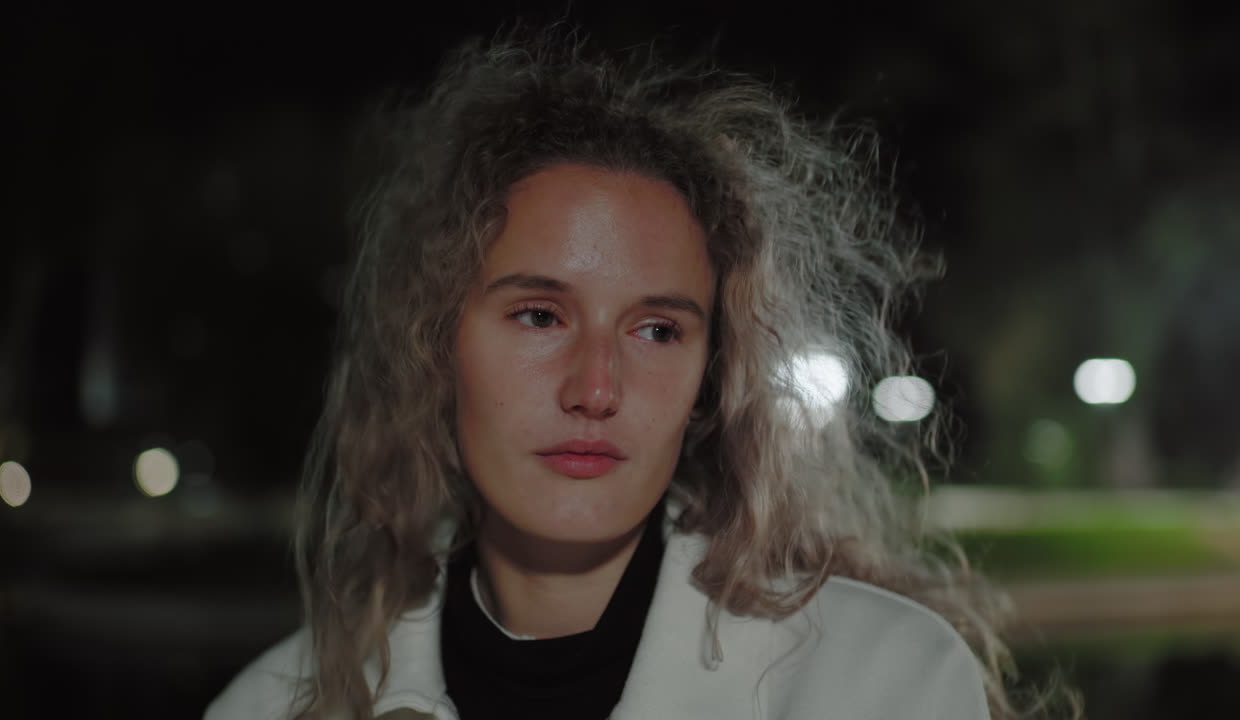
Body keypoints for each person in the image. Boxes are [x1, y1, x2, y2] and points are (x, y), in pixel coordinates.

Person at [205, 29, 1047, 720]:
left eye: (655, 329)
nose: (596, 390)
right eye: (540, 315)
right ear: (432, 345)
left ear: (713, 378)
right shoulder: (271, 707)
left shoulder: (880, 681)